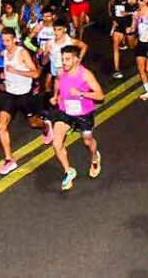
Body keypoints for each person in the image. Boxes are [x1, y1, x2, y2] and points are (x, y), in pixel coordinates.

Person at [48, 45, 105, 191]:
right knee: (56, 143)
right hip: (65, 113)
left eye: (67, 59)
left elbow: (100, 95)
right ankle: (69, 171)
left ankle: (95, 157)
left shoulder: (86, 74)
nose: (64, 62)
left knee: (87, 141)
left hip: (84, 116)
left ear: (76, 59)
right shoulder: (61, 72)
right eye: (62, 59)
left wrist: (81, 94)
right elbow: (58, 83)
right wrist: (56, 96)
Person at [0, 28, 43, 175]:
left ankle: (47, 126)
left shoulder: (22, 53)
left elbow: (36, 73)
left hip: (25, 95)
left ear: (15, 39)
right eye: (3, 41)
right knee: (1, 126)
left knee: (34, 123)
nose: (5, 44)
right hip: (10, 94)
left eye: (8, 41)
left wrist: (16, 72)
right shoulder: (5, 53)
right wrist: (4, 77)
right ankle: (9, 159)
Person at [109, 0, 137, 79]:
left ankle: (141, 45)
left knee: (132, 46)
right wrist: (113, 20)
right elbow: (111, 8)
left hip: (128, 25)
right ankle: (117, 69)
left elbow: (138, 11)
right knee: (115, 46)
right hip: (119, 26)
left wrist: (128, 14)